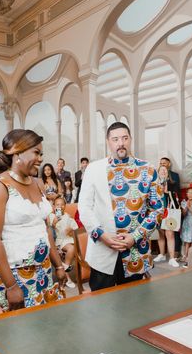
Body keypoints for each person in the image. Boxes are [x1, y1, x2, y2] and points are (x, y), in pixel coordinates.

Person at [0, 129, 68, 310]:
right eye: (36, 153)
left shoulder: (37, 184)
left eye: (41, 154)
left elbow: (44, 229)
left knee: (44, 325)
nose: (40, 158)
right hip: (13, 273)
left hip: (42, 268)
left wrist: (58, 266)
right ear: (17, 153)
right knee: (21, 332)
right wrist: (11, 286)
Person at [79, 122, 164, 291]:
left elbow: (157, 210)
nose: (121, 143)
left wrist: (135, 236)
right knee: (102, 304)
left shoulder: (148, 169)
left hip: (135, 250)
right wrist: (102, 235)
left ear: (130, 139)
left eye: (125, 138)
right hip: (104, 248)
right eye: (115, 139)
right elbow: (84, 207)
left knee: (134, 305)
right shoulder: (94, 169)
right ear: (108, 142)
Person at [48, 196, 78, 288]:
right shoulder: (50, 216)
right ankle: (66, 267)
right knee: (71, 248)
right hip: (58, 241)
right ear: (53, 206)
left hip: (68, 239)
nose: (60, 206)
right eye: (57, 205)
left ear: (65, 206)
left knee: (73, 246)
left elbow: (75, 227)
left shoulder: (67, 216)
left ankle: (65, 267)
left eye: (62, 205)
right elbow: (49, 231)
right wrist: (53, 224)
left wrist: (71, 229)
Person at [154, 165, 180, 266]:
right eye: (161, 170)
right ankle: (162, 254)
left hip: (170, 211)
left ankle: (172, 258)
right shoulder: (154, 184)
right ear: (158, 172)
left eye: (165, 170)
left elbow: (175, 196)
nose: (163, 171)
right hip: (159, 211)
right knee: (161, 233)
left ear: (168, 173)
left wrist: (166, 189)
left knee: (170, 234)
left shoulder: (172, 183)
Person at [179, 187, 192, 263]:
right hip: (186, 222)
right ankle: (185, 255)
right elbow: (184, 214)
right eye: (188, 193)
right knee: (187, 241)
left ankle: (191, 256)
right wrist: (186, 207)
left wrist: (189, 206)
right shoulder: (184, 202)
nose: (190, 194)